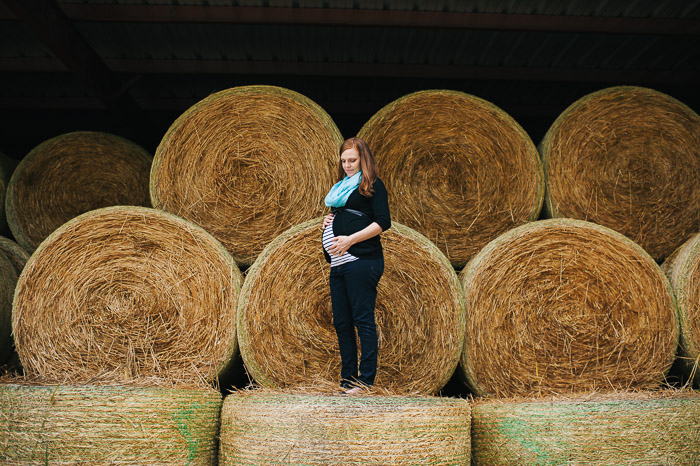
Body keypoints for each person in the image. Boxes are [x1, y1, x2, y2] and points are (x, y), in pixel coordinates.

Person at [321, 137, 391, 395]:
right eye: (344, 161)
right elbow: (347, 215)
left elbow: (383, 222)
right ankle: (348, 379)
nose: (348, 165)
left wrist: (350, 238)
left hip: (362, 260)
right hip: (338, 263)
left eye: (352, 160)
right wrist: (331, 220)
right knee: (342, 322)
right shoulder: (340, 189)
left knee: (363, 320)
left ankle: (366, 382)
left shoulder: (372, 185)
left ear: (363, 159)